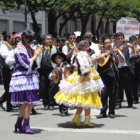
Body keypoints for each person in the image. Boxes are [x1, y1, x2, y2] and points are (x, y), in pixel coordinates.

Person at [54, 40, 103, 127]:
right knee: (87, 100)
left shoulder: (80, 53)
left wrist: (95, 59)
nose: (88, 48)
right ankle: (86, 121)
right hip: (83, 77)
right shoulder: (82, 54)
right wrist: (85, 75)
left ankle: (76, 119)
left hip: (80, 76)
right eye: (86, 46)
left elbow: (88, 62)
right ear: (82, 47)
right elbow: (84, 66)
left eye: (88, 46)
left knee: (82, 101)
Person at [9, 30, 42, 134]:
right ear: (25, 39)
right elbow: (26, 64)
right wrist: (36, 55)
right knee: (28, 102)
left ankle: (19, 123)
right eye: (30, 40)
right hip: (22, 78)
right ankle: (25, 125)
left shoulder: (28, 48)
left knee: (27, 102)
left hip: (30, 76)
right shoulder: (19, 49)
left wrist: (36, 54)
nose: (31, 42)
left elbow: (36, 64)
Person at [97, 37, 124, 118]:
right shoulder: (101, 52)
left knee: (113, 94)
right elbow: (97, 59)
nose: (108, 44)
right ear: (103, 45)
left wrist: (118, 53)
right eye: (106, 43)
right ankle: (103, 111)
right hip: (103, 76)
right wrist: (106, 55)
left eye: (109, 42)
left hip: (113, 76)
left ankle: (111, 112)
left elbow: (122, 61)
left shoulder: (115, 52)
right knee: (104, 94)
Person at [114, 32, 133, 109]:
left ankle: (130, 102)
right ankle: (118, 102)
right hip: (117, 68)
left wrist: (132, 47)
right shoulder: (114, 46)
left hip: (126, 68)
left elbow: (133, 53)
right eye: (118, 39)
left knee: (128, 86)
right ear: (116, 39)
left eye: (121, 38)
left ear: (124, 38)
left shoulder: (127, 46)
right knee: (119, 87)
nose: (120, 40)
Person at [39, 34, 58, 110]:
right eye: (48, 39)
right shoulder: (40, 48)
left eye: (50, 39)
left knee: (51, 87)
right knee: (43, 88)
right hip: (42, 70)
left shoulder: (54, 48)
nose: (50, 40)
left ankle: (51, 103)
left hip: (52, 70)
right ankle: (45, 103)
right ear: (44, 41)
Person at [0, 33, 14, 111]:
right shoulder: (3, 46)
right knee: (8, 88)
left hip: (10, 68)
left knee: (11, 87)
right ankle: (9, 106)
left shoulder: (10, 46)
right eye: (12, 38)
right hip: (5, 69)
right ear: (8, 38)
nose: (13, 39)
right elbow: (4, 55)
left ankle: (2, 101)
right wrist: (13, 53)